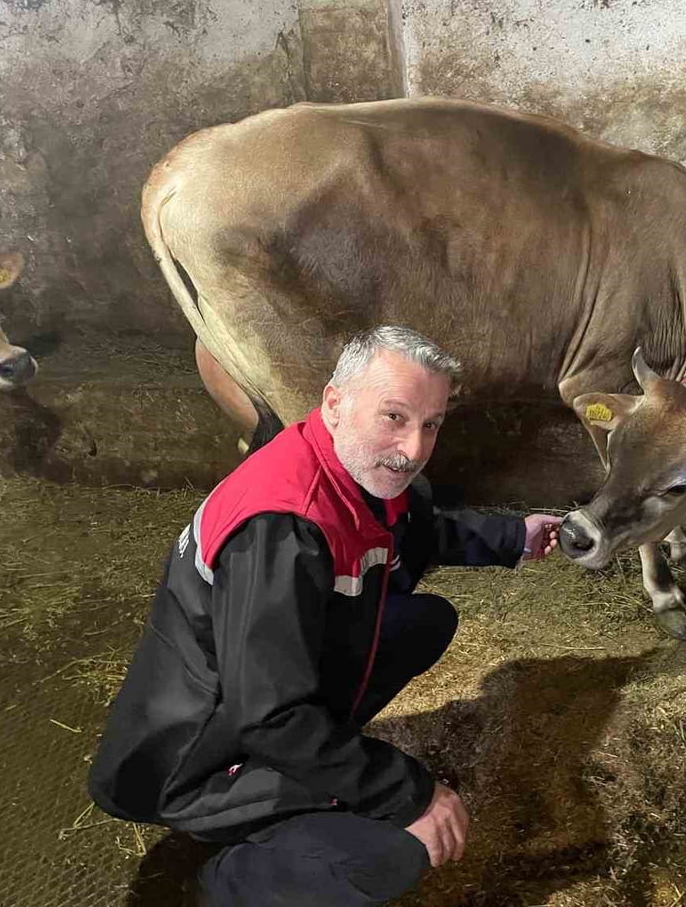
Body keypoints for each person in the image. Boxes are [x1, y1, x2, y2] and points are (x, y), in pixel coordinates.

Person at [87, 326, 563, 907]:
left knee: (421, 621)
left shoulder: (352, 466)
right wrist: (411, 793)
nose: (414, 447)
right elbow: (268, 716)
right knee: (391, 853)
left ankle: (313, 765)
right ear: (335, 404)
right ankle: (218, 886)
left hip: (249, 703)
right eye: (395, 416)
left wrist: (514, 535)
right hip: (189, 759)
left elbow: (415, 530)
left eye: (431, 423)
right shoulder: (281, 530)